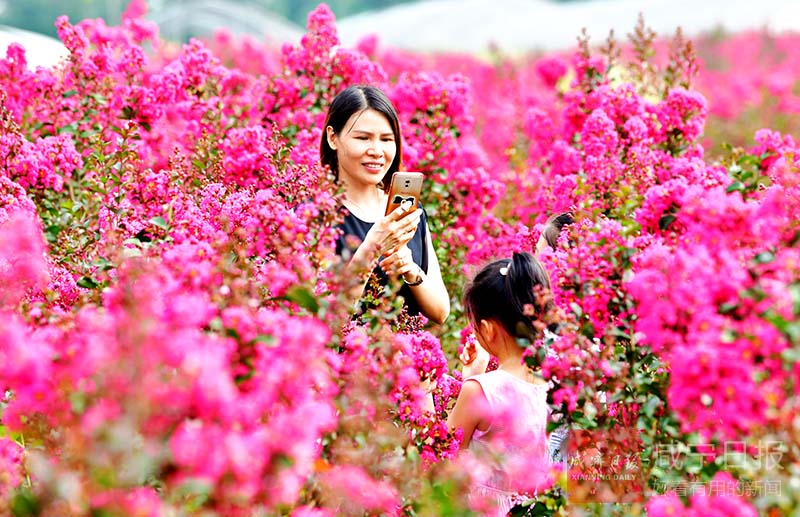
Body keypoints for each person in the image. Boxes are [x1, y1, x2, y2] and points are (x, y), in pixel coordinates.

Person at [321, 84, 449, 324]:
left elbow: (441, 312)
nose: (377, 151)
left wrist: (410, 269)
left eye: (387, 139)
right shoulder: (317, 215)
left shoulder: (409, 213)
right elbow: (328, 318)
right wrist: (373, 247)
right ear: (332, 138)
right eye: (363, 138)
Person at [448, 252, 553, 514]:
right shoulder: (555, 388)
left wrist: (470, 378)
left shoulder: (479, 391)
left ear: (487, 329)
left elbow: (443, 457)